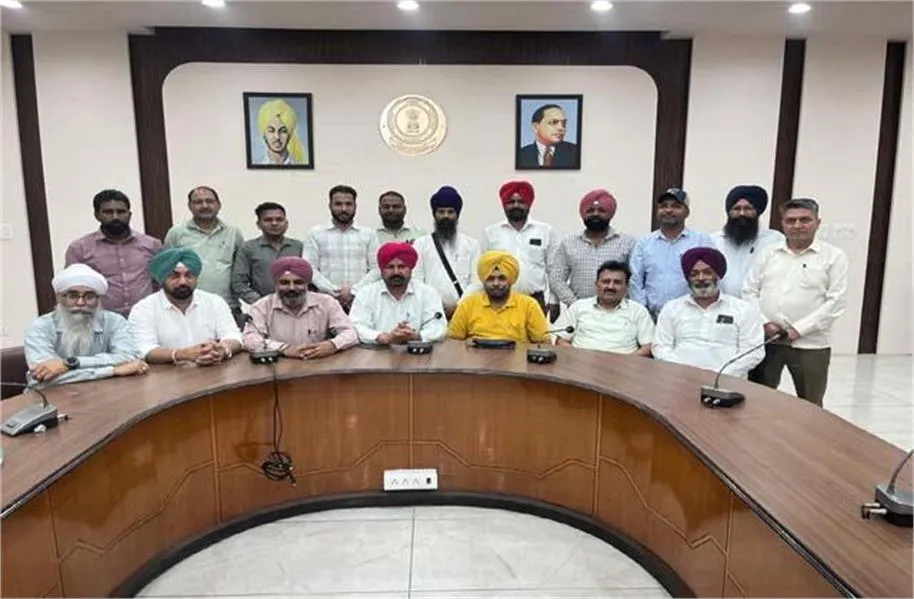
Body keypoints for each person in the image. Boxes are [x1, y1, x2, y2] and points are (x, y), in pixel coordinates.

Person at [742, 198, 848, 407]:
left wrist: (798, 330)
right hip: (768, 340)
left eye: (804, 220)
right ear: (782, 224)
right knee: (758, 400)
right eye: (790, 220)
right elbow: (749, 290)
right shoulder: (768, 253)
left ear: (818, 222)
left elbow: (836, 302)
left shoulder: (834, 257)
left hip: (811, 344)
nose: (797, 225)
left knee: (811, 405)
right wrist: (765, 323)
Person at [25, 264, 147, 387]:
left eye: (89, 296)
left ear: (98, 300)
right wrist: (112, 370)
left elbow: (130, 358)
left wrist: (71, 363)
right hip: (51, 396)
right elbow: (44, 378)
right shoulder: (40, 327)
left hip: (104, 392)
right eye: (72, 296)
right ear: (59, 298)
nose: (80, 302)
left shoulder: (114, 322)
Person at [128, 248, 243, 366]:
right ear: (162, 279)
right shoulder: (143, 309)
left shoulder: (214, 302)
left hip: (212, 370)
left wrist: (222, 350)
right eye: (174, 276)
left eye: (189, 275)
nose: (183, 282)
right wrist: (181, 354)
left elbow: (233, 335)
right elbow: (143, 349)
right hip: (166, 375)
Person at [64, 189, 162, 317]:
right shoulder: (80, 249)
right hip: (100, 321)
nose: (115, 217)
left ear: (129, 214)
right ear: (97, 215)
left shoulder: (152, 245)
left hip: (146, 318)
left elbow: (161, 283)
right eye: (108, 212)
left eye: (121, 212)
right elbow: (72, 288)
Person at [242, 257, 358, 359]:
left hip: (318, 363)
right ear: (276, 284)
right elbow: (249, 339)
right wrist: (283, 349)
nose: (291, 288)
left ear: (307, 284)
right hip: (279, 365)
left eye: (298, 282)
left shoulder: (326, 302)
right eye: (284, 283)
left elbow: (350, 333)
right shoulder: (261, 307)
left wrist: (332, 345)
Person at [164, 186, 245, 326]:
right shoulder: (176, 233)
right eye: (198, 202)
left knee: (231, 340)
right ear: (190, 206)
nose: (205, 205)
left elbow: (241, 269)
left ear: (219, 205)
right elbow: (168, 270)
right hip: (189, 306)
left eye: (209, 201)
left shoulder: (233, 233)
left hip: (228, 305)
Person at [630, 188, 715, 319]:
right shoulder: (644, 243)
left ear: (687, 212)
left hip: (692, 316)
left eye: (676, 206)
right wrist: (643, 313)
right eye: (664, 206)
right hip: (652, 317)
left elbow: (712, 276)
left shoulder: (701, 241)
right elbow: (635, 280)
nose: (668, 210)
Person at [481, 180, 560, 321]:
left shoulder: (545, 231)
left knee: (536, 335)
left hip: (534, 300)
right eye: (511, 202)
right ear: (504, 205)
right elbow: (483, 270)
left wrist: (554, 300)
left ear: (529, 204)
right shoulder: (491, 233)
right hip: (498, 300)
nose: (516, 205)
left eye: (521, 201)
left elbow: (553, 269)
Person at [549, 189, 636, 307]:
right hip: (580, 312)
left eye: (601, 210)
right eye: (590, 210)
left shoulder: (627, 242)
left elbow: (635, 280)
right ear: (583, 214)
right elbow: (556, 278)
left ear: (610, 213)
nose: (595, 214)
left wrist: (625, 305)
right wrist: (575, 304)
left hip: (618, 311)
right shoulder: (568, 243)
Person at [350, 242, 447, 346]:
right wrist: (382, 337)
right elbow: (356, 326)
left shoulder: (428, 293)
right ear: (381, 270)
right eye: (390, 267)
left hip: (417, 351)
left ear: (411, 268)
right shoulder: (365, 294)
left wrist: (417, 336)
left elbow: (438, 326)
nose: (396, 272)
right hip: (377, 351)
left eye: (402, 266)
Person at [303, 185, 379, 311]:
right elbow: (309, 268)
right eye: (338, 204)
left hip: (362, 302)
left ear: (355, 206)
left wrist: (354, 291)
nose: (344, 209)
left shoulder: (368, 234)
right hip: (325, 303)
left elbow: (376, 268)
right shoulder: (315, 233)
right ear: (330, 206)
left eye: (348, 204)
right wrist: (334, 291)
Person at [448, 251, 549, 343]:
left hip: (517, 357)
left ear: (510, 280)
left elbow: (544, 343)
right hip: (474, 357)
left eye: (502, 278)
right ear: (483, 280)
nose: (496, 283)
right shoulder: (468, 305)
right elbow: (452, 342)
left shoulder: (529, 306)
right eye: (490, 279)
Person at [556, 261, 653, 356]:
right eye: (606, 281)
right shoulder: (578, 307)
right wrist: (579, 357)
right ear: (596, 284)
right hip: (581, 362)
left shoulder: (638, 311)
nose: (610, 287)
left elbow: (648, 346)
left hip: (624, 364)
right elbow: (560, 340)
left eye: (617, 282)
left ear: (627, 287)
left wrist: (626, 361)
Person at [412, 186, 482, 318]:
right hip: (430, 312)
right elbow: (417, 280)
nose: (446, 216)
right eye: (441, 212)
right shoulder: (421, 244)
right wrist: (436, 305)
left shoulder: (472, 244)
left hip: (465, 312)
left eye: (450, 212)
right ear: (434, 214)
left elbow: (476, 281)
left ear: (457, 215)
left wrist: (459, 306)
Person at [712, 185, 784, 297]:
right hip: (722, 305)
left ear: (757, 212)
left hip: (758, 305)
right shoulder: (714, 241)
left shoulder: (774, 240)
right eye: (736, 209)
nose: (742, 213)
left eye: (748, 208)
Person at [231, 202, 304, 307]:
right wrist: (261, 302)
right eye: (268, 220)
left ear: (286, 223)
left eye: (279, 219)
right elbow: (238, 283)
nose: (274, 223)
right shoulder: (248, 248)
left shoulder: (299, 247)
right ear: (258, 224)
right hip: (263, 309)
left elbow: (309, 279)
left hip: (296, 306)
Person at [517, 104, 579, 169]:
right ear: (535, 127)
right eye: (554, 122)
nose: (561, 128)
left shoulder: (575, 152)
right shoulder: (521, 155)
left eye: (564, 123)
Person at [256, 98, 308, 166]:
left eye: (283, 131)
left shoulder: (299, 164)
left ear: (290, 134)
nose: (277, 137)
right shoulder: (258, 165)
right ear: (264, 134)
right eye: (271, 131)